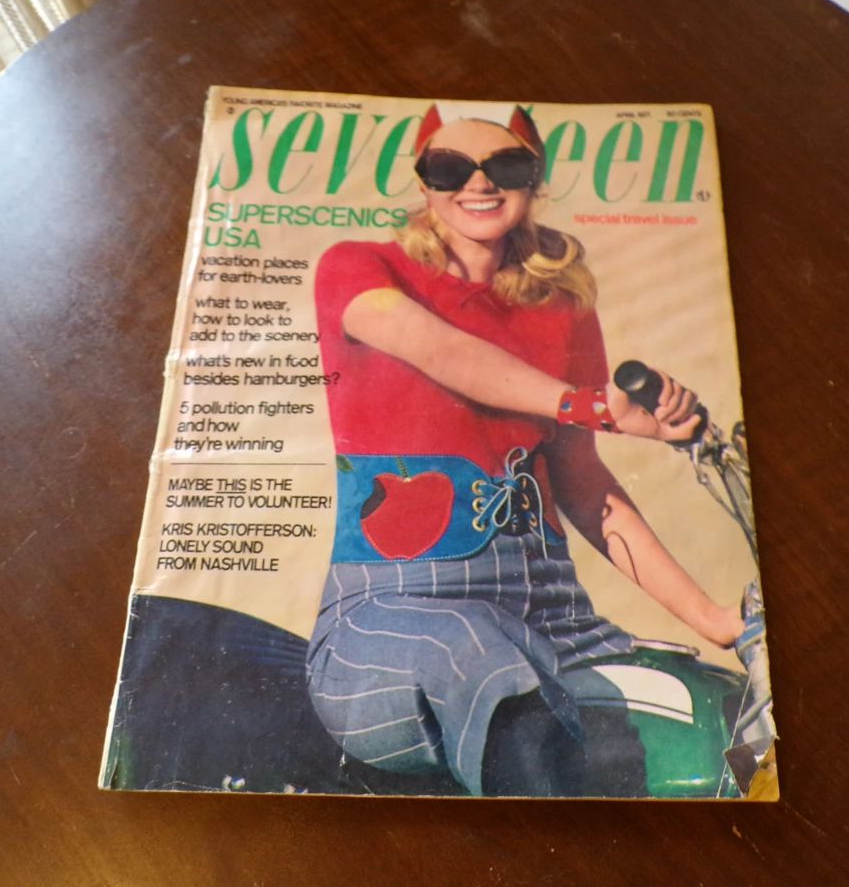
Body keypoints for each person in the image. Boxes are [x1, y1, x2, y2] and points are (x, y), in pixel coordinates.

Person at [307, 101, 747, 796]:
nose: (479, 183)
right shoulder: (360, 267)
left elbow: (583, 480)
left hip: (551, 614)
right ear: (422, 181)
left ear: (533, 178)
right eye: (451, 167)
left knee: (707, 709)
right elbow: (443, 351)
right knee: (477, 657)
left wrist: (716, 621)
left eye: (505, 165)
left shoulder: (560, 305)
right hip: (394, 619)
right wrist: (589, 404)